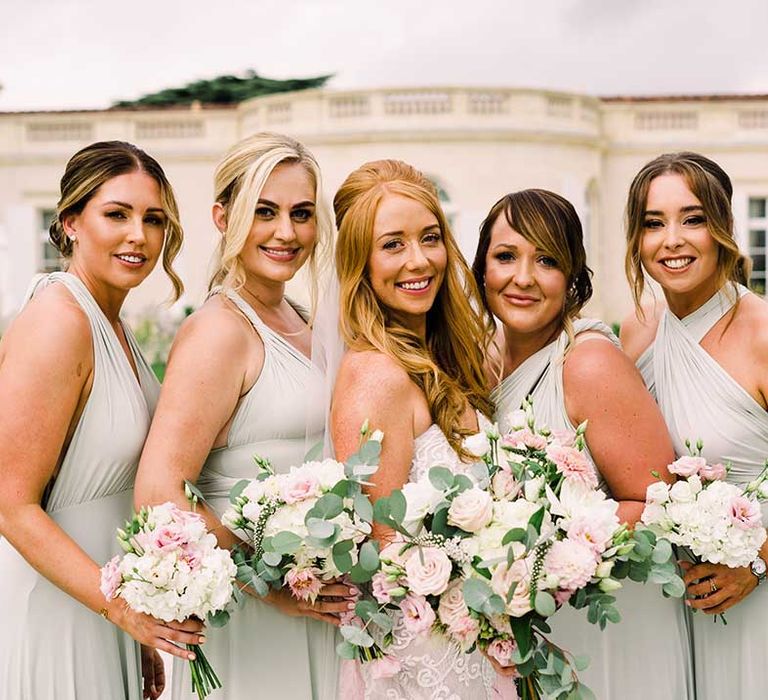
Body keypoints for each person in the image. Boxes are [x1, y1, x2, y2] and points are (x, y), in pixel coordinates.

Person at [134, 132, 348, 700]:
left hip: (319, 610)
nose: (287, 232)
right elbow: (159, 493)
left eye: (301, 214)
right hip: (256, 617)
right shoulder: (220, 331)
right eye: (264, 212)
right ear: (223, 217)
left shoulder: (300, 318)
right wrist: (265, 583)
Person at [0, 141, 203, 700]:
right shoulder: (57, 323)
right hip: (53, 613)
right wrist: (123, 610)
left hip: (101, 605)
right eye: (117, 214)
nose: (138, 235)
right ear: (70, 223)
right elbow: (10, 504)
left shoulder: (114, 325)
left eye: (153, 219)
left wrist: (136, 624)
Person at [473, 188, 692, 699]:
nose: (522, 277)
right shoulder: (482, 359)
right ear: (481, 268)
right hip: (536, 629)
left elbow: (659, 501)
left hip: (611, 630)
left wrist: (542, 549)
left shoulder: (587, 363)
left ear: (573, 279)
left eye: (546, 260)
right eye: (506, 257)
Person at [330, 159, 505, 699]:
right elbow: (383, 558)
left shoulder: (444, 358)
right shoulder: (376, 376)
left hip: (472, 646)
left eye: (430, 238)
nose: (418, 260)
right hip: (421, 664)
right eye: (392, 244)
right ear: (360, 261)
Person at [621, 151, 768, 700]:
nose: (672, 239)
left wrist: (756, 560)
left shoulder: (761, 333)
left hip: (752, 596)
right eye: (653, 223)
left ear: (724, 228)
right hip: (665, 607)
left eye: (693, 218)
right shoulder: (635, 334)